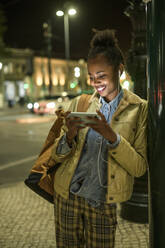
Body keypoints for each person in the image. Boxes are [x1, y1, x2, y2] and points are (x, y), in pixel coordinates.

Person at [51, 29, 148, 248]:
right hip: (67, 197)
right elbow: (55, 155)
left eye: (102, 76)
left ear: (119, 70)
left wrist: (111, 136)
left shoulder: (138, 109)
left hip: (103, 203)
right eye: (92, 77)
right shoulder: (80, 103)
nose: (96, 83)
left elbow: (139, 167)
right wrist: (70, 136)